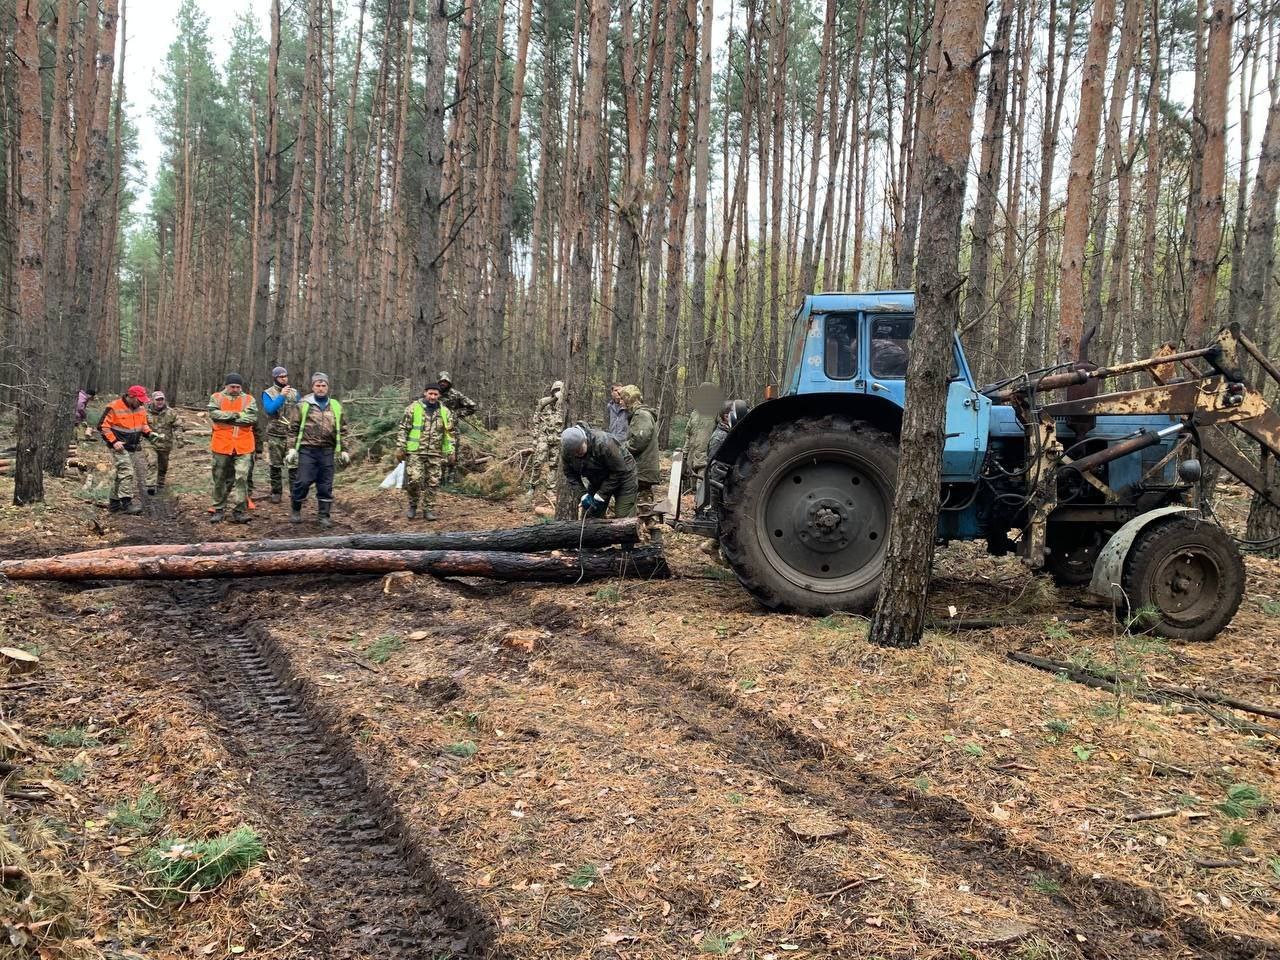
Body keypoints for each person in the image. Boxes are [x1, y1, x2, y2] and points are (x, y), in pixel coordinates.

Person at [284, 372, 348, 528]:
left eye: (323, 385)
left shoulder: (335, 406)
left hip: (327, 450)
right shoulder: (303, 404)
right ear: (313, 387)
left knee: (325, 484)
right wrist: (291, 449)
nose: (321, 388)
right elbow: (293, 429)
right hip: (308, 449)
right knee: (303, 481)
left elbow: (343, 429)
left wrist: (345, 449)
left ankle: (324, 516)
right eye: (318, 385)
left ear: (328, 387)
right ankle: (296, 509)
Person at [396, 383, 456, 521]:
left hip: (436, 452)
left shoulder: (445, 412)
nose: (433, 397)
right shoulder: (413, 408)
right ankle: (413, 505)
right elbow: (403, 428)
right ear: (425, 393)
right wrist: (400, 447)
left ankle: (428, 509)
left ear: (439, 395)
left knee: (433, 482)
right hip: (415, 451)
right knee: (415, 480)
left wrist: (451, 451)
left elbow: (449, 434)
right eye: (430, 393)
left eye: (436, 394)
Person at [98, 385, 158, 515]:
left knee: (121, 474)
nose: (141, 402)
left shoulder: (140, 408)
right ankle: (126, 503)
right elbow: (102, 426)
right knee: (127, 472)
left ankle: (114, 504)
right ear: (131, 396)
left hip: (132, 446)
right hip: (119, 447)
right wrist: (113, 442)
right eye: (139, 400)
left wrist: (150, 433)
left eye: (143, 400)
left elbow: (143, 425)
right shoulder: (114, 406)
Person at [208, 373, 258, 524]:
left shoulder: (249, 399)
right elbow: (214, 414)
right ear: (226, 386)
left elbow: (252, 418)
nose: (235, 389)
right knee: (220, 477)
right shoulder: (216, 397)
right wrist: (236, 416)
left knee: (242, 477)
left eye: (238, 387)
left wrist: (228, 417)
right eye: (232, 386)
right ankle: (218, 509)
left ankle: (239, 511)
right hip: (222, 444)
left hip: (244, 445)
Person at [560, 423, 638, 519]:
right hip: (598, 478)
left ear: (585, 440)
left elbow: (619, 471)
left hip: (624, 475)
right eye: (574, 452)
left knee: (624, 518)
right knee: (590, 516)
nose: (578, 453)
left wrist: (601, 494)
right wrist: (583, 495)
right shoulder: (567, 453)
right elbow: (570, 475)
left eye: (580, 449)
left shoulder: (603, 443)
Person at [260, 365, 300, 503]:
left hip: (292, 435)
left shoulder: (294, 393)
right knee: (275, 464)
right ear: (275, 378)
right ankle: (276, 492)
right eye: (281, 377)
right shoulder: (268, 393)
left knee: (294, 464)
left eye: (285, 376)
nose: (284, 379)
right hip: (275, 433)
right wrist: (282, 396)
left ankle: (296, 493)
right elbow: (270, 410)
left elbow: (301, 410)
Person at [620, 385, 660, 509]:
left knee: (643, 502)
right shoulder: (640, 414)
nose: (620, 402)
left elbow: (639, 441)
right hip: (643, 467)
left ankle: (646, 524)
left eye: (622, 398)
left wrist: (622, 448)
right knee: (643, 500)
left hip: (642, 467)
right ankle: (646, 523)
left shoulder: (641, 415)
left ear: (629, 398)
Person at [437, 371, 477, 483]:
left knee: (452, 455)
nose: (443, 383)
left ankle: (450, 480)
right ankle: (439, 479)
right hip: (436, 429)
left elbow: (472, 406)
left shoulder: (455, 394)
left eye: (446, 381)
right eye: (441, 381)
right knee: (437, 454)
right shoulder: (434, 393)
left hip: (451, 429)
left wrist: (457, 414)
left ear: (449, 382)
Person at [528, 380, 565, 496]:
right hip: (543, 437)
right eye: (556, 390)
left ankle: (550, 488)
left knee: (554, 465)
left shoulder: (564, 406)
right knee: (538, 462)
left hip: (557, 438)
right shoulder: (543, 402)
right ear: (552, 391)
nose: (557, 392)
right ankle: (532, 486)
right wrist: (535, 438)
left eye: (560, 390)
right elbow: (536, 420)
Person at [684, 381, 720, 490]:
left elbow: (721, 433)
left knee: (701, 492)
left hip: (706, 458)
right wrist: (684, 453)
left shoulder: (717, 412)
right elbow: (688, 434)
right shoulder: (695, 413)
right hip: (692, 457)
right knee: (690, 490)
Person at [145, 391, 182, 494]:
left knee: (163, 465)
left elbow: (178, 426)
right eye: (157, 400)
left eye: (161, 399)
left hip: (165, 443)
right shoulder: (145, 412)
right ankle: (151, 485)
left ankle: (160, 482)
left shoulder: (171, 412)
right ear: (153, 400)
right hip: (149, 442)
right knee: (152, 462)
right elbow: (140, 426)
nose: (160, 402)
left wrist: (179, 439)